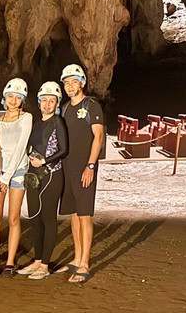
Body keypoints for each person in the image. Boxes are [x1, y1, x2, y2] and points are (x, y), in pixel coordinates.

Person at [56, 64, 105, 284]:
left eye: (73, 82)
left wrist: (91, 166)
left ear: (82, 83)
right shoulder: (65, 108)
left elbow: (98, 137)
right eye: (66, 82)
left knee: (84, 215)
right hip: (68, 168)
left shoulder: (91, 105)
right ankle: (76, 258)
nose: (69, 86)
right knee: (74, 215)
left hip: (84, 168)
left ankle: (85, 263)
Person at [18, 80, 68, 280]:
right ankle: (37, 260)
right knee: (35, 219)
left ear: (57, 104)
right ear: (39, 102)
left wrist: (44, 161)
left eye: (52, 101)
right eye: (44, 100)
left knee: (48, 220)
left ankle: (45, 265)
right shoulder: (36, 124)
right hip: (33, 175)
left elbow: (64, 149)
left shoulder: (58, 122)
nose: (47, 104)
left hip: (51, 175)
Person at [0, 77, 32, 275]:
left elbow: (21, 148)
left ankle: (10, 262)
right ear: (5, 97)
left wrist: (7, 177)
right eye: (10, 96)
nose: (13, 101)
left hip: (17, 171)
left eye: (18, 97)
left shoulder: (26, 118)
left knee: (14, 217)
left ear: (23, 100)